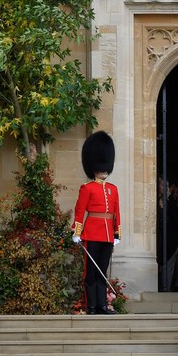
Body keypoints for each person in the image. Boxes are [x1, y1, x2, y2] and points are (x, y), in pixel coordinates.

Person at [72, 131, 121, 315]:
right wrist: (77, 232)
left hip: (108, 234)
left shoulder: (113, 189)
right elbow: (80, 211)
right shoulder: (87, 188)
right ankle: (91, 305)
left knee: (102, 271)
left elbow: (116, 213)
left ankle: (102, 305)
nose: (104, 171)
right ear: (94, 168)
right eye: (101, 168)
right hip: (91, 232)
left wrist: (117, 234)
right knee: (90, 272)